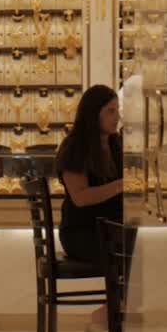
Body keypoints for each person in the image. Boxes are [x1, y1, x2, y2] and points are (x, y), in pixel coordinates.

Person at [55, 84, 124, 266]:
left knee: (143, 246)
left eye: (117, 110)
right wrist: (121, 185)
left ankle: (124, 294)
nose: (117, 117)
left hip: (110, 229)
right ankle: (121, 294)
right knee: (132, 251)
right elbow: (81, 197)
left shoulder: (115, 144)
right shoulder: (75, 147)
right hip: (83, 234)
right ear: (94, 114)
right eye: (110, 111)